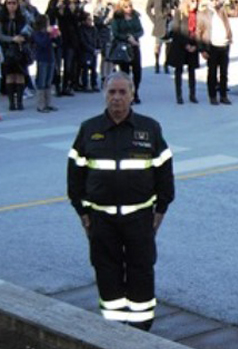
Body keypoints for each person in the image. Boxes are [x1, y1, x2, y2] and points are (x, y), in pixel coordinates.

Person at [66, 72, 175, 332]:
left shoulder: (149, 129)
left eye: (122, 92)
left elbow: (164, 172)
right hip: (101, 219)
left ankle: (140, 328)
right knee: (106, 270)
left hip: (139, 218)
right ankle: (113, 327)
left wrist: (160, 211)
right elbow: (75, 175)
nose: (117, 98)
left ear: (132, 93)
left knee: (141, 270)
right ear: (105, 94)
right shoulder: (89, 129)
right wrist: (82, 213)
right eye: (112, 92)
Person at [198, 0, 237, 105]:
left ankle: (223, 95)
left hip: (224, 45)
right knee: (212, 73)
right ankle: (212, 96)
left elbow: (236, 13)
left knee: (224, 73)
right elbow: (199, 32)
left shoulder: (223, 11)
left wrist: (236, 2)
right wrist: (202, 49)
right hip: (212, 47)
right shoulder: (203, 14)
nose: (216, 2)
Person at [110, 0, 144, 103]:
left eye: (130, 6)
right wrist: (127, 37)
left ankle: (135, 92)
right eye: (126, 7)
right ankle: (127, 94)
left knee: (137, 71)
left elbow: (141, 30)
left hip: (134, 46)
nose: (128, 8)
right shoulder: (117, 18)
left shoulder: (135, 16)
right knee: (125, 72)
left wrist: (134, 37)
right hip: (123, 46)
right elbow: (115, 33)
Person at [168, 0, 200, 104]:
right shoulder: (179, 13)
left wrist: (195, 45)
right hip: (181, 46)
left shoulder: (196, 14)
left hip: (193, 45)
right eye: (193, 2)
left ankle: (192, 94)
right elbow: (176, 31)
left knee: (192, 71)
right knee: (179, 71)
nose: (195, 4)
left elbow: (199, 30)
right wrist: (186, 45)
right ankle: (179, 95)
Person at [1, 0, 31, 111]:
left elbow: (29, 30)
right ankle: (11, 103)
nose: (11, 6)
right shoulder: (2, 18)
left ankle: (19, 102)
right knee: (9, 76)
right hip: (7, 50)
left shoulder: (22, 17)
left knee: (20, 75)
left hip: (20, 50)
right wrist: (12, 39)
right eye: (9, 3)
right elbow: (1, 35)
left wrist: (23, 37)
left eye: (14, 3)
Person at [33, 14, 59, 112]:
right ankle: (41, 105)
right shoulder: (37, 33)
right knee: (42, 81)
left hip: (50, 58)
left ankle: (48, 103)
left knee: (48, 81)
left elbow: (56, 42)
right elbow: (42, 43)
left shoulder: (49, 33)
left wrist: (55, 35)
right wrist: (48, 35)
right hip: (42, 59)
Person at [145, 0, 173, 74]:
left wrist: (174, 15)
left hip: (169, 22)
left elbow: (178, 5)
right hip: (159, 23)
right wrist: (154, 19)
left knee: (169, 46)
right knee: (158, 45)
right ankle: (157, 62)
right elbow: (148, 9)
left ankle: (166, 63)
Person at [79, 13, 101, 92]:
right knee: (85, 69)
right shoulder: (82, 29)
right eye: (88, 20)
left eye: (91, 20)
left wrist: (98, 48)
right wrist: (91, 49)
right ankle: (85, 85)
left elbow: (97, 39)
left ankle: (94, 84)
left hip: (94, 51)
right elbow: (83, 42)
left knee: (94, 69)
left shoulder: (94, 29)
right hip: (86, 52)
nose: (90, 21)